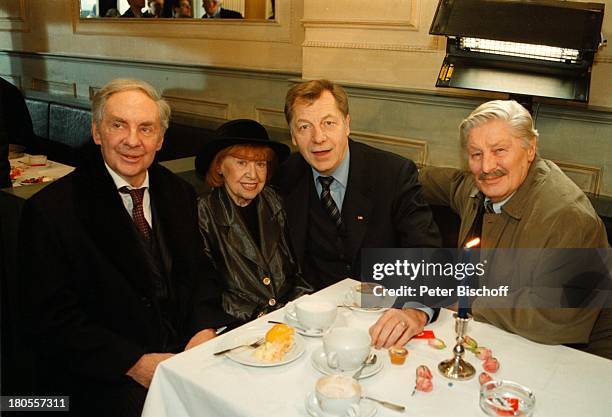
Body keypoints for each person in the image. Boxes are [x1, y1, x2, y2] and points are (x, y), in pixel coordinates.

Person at [19, 79, 231, 416]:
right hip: (101, 376)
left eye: (146, 129)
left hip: (181, 357)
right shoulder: (52, 211)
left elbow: (200, 274)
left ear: (160, 140)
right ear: (97, 132)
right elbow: (50, 319)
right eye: (119, 125)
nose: (133, 141)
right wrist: (133, 364)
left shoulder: (179, 193)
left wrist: (203, 329)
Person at [390, 99, 611, 358]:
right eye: (476, 154)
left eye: (499, 151)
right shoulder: (476, 188)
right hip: (505, 337)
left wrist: (466, 299)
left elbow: (555, 316)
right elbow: (425, 180)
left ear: (530, 149)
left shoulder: (567, 217)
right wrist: (376, 173)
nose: (486, 167)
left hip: (581, 357)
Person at [275, 79, 442, 348]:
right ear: (293, 136)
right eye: (305, 127)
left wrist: (414, 310)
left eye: (329, 123)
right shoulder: (284, 177)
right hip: (315, 326)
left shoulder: (392, 173)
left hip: (385, 321)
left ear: (347, 124)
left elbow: (428, 252)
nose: (318, 137)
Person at [196, 119, 311, 323]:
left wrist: (299, 308)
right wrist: (259, 315)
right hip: (238, 326)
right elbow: (208, 290)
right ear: (220, 166)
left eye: (260, 164)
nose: (253, 174)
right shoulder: (202, 213)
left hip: (291, 316)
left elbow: (298, 269)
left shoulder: (277, 201)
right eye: (242, 163)